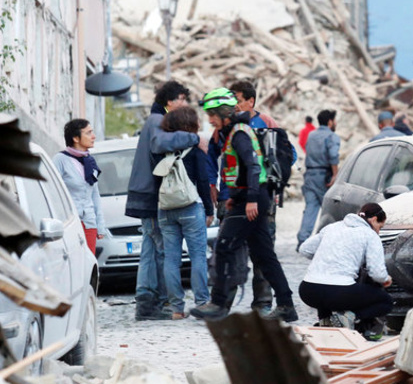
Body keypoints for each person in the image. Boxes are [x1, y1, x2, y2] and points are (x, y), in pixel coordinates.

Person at [192, 89, 294, 321]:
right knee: (264, 256)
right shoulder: (235, 132)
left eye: (212, 114)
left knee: (225, 247)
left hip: (251, 201)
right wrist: (235, 196)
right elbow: (240, 170)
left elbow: (253, 167)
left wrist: (248, 200)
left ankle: (218, 303)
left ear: (224, 113)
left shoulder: (239, 134)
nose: (209, 120)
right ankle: (286, 305)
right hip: (247, 199)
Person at [126, 80, 199, 321]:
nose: (184, 103)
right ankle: (152, 302)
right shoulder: (157, 121)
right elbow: (160, 143)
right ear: (169, 101)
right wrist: (193, 139)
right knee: (158, 251)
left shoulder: (155, 119)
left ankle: (147, 302)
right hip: (150, 195)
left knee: (150, 248)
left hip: (145, 193)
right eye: (182, 99)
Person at [228, 80, 296, 315]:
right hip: (236, 199)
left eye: (237, 100)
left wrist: (272, 178)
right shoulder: (229, 124)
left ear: (250, 101)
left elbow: (289, 153)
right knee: (231, 251)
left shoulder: (266, 123)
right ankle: (223, 303)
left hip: (262, 199)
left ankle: (263, 301)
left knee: (263, 252)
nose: (234, 105)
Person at [298, 202, 393, 340]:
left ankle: (326, 320)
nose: (378, 231)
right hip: (339, 292)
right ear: (373, 220)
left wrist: (325, 256)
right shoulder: (370, 235)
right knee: (385, 301)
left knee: (326, 289)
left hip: (308, 291)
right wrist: (386, 279)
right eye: (380, 226)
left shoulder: (332, 227)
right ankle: (350, 317)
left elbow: (304, 249)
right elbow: (376, 273)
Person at [157, 107, 214, 320]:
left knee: (171, 259)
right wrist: (209, 209)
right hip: (191, 207)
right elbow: (203, 181)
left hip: (165, 208)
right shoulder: (196, 150)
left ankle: (177, 309)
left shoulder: (161, 149)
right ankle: (201, 302)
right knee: (198, 255)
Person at [54, 119, 105, 254]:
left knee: (89, 267)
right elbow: (52, 190)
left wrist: (100, 225)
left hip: (89, 223)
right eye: (88, 133)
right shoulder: (60, 160)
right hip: (69, 223)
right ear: (76, 138)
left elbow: (95, 195)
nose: (93, 136)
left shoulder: (90, 161)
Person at [297, 109, 340, 247]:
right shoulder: (332, 136)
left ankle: (302, 240)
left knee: (310, 207)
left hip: (310, 175)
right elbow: (333, 156)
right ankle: (326, 241)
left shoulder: (311, 135)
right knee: (329, 209)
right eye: (334, 120)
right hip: (324, 176)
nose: (335, 123)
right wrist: (335, 175)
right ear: (330, 122)